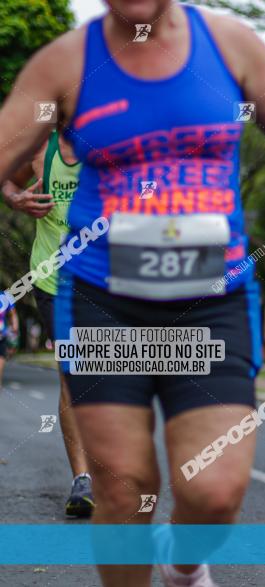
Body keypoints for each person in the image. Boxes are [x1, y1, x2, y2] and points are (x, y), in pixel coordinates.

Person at [0, 1, 265, 585]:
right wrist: (14, 192)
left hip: (209, 300)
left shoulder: (228, 43)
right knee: (124, 490)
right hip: (104, 300)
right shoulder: (65, 63)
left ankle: (182, 566)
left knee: (215, 492)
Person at [2, 129, 95, 518]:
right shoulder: (42, 146)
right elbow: (6, 178)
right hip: (54, 279)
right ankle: (83, 479)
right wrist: (15, 198)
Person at [0, 300, 19, 388]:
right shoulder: (6, 296)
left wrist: (14, 328)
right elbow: (13, 314)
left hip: (2, 335)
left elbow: (13, 314)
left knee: (2, 358)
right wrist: (15, 327)